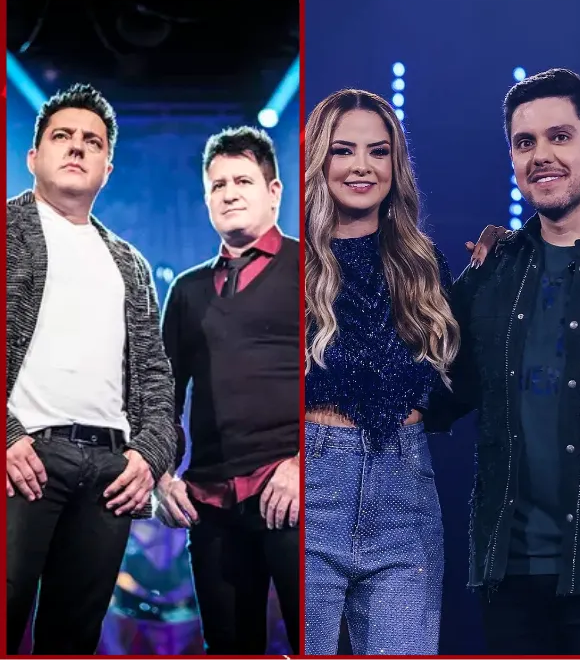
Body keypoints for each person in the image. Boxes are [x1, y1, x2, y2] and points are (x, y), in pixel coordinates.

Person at [427, 68, 580, 655]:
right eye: (525, 143)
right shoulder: (494, 271)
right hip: (511, 571)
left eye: (560, 136)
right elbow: (438, 391)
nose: (541, 155)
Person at [6, 83, 176, 653]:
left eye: (92, 141)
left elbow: (156, 375)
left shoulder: (129, 262)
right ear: (34, 157)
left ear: (107, 166)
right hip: (23, 461)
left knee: (73, 641)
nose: (77, 148)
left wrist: (148, 458)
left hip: (108, 473)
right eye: (62, 137)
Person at [301, 88, 463, 655]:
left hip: (404, 483)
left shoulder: (421, 264)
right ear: (320, 159)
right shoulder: (294, 266)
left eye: (379, 151)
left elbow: (456, 377)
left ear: (396, 164)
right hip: (313, 479)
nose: (362, 167)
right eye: (344, 151)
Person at [153, 126, 300, 653]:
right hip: (211, 501)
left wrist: (304, 464)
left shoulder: (311, 269)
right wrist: (160, 474)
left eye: (242, 180)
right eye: (217, 185)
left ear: (274, 191)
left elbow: (346, 382)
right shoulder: (187, 290)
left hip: (292, 495)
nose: (229, 192)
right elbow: (160, 398)